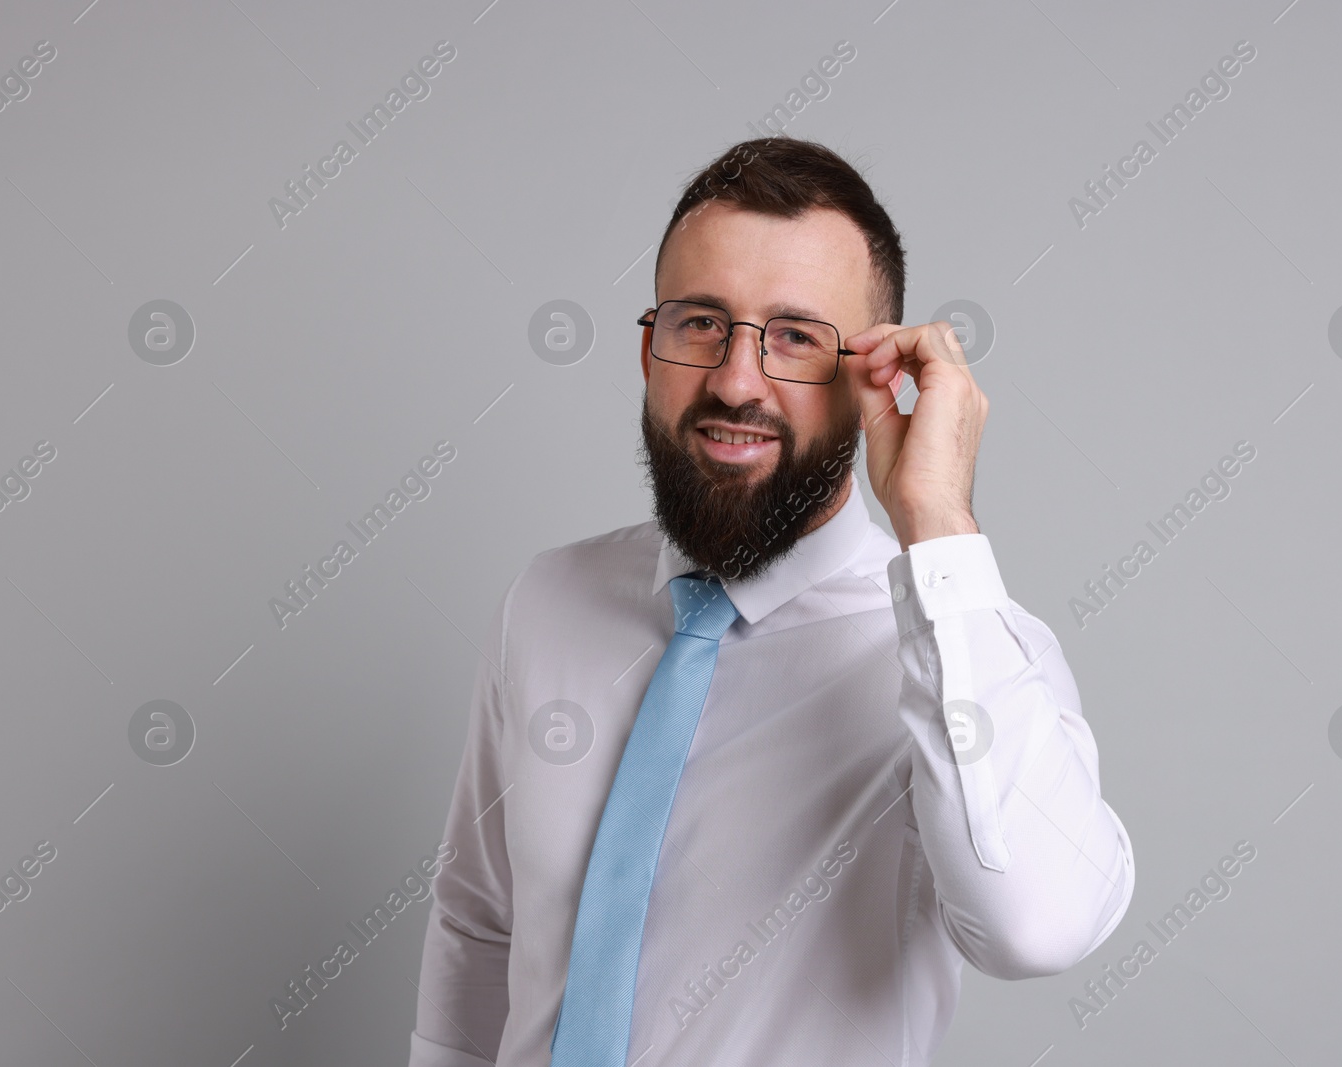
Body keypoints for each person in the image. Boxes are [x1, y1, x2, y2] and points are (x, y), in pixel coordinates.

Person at [409, 136, 1134, 1067]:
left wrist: (937, 522)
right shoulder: (548, 601)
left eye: (795, 336)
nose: (736, 380)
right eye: (701, 322)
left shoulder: (967, 655)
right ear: (649, 347)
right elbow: (480, 920)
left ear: (878, 375)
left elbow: (1036, 928)